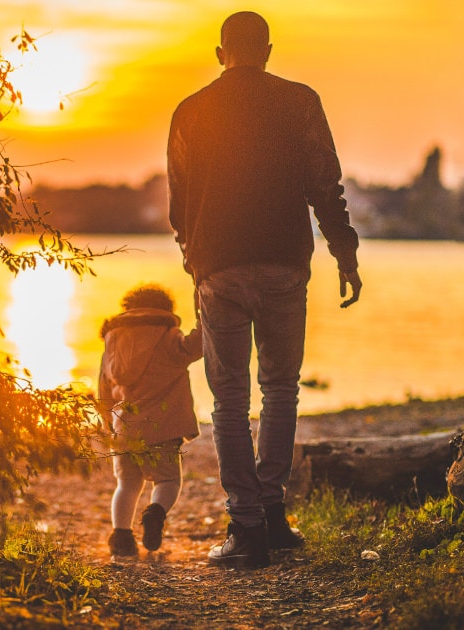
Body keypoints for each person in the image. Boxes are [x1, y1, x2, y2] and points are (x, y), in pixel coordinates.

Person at [167, 11, 363, 569]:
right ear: (269, 50)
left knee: (229, 400)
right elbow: (326, 184)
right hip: (283, 263)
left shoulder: (190, 110)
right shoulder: (300, 101)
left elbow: (180, 202)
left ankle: (247, 527)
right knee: (281, 389)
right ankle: (273, 515)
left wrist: (193, 262)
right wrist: (344, 252)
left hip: (219, 269)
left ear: (219, 52)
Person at [97, 284, 204, 559]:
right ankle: (155, 513)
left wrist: (108, 424)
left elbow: (103, 389)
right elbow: (199, 345)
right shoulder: (169, 336)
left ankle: (121, 537)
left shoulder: (112, 340)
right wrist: (203, 309)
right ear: (165, 310)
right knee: (167, 481)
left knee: (127, 485)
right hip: (162, 428)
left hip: (123, 429)